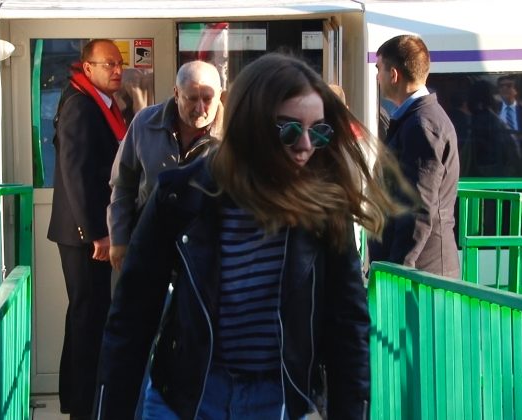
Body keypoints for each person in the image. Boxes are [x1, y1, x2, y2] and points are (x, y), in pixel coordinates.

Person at [95, 53, 402, 419]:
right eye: (290, 130)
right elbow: (132, 317)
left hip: (276, 400)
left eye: (319, 131)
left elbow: (347, 326)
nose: (306, 145)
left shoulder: (323, 210)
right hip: (187, 396)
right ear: (249, 125)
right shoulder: (181, 194)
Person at [46, 38, 126, 420]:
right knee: (89, 316)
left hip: (87, 230)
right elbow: (75, 173)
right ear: (88, 67)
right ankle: (83, 406)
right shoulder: (81, 105)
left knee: (84, 314)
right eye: (109, 64)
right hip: (84, 235)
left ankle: (75, 398)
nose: (117, 70)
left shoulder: (97, 103)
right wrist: (96, 232)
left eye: (120, 64)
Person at [107, 60, 224, 272]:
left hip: (208, 252)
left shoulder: (234, 134)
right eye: (192, 98)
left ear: (219, 96)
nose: (200, 109)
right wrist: (119, 238)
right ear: (176, 94)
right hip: (149, 243)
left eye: (208, 99)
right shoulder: (144, 123)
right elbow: (123, 184)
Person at [368, 34, 461, 278]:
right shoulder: (420, 119)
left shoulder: (422, 125)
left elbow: (417, 207)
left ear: (393, 74)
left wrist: (397, 272)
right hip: (422, 271)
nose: (377, 77)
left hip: (422, 277)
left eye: (378, 69)